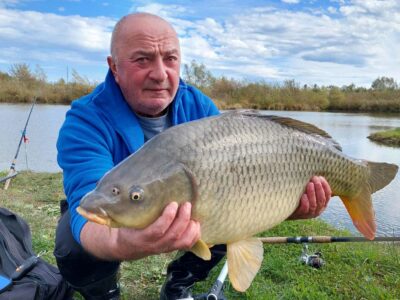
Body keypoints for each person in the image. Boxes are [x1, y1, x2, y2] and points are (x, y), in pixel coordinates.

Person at [54, 12, 332, 300]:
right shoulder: (84, 121)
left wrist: (289, 205)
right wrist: (127, 242)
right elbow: (87, 211)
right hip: (125, 204)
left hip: (186, 205)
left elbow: (245, 183)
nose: (160, 74)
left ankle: (179, 283)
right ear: (114, 67)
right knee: (74, 242)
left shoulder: (198, 106)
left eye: (170, 59)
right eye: (142, 59)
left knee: (226, 209)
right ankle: (103, 293)